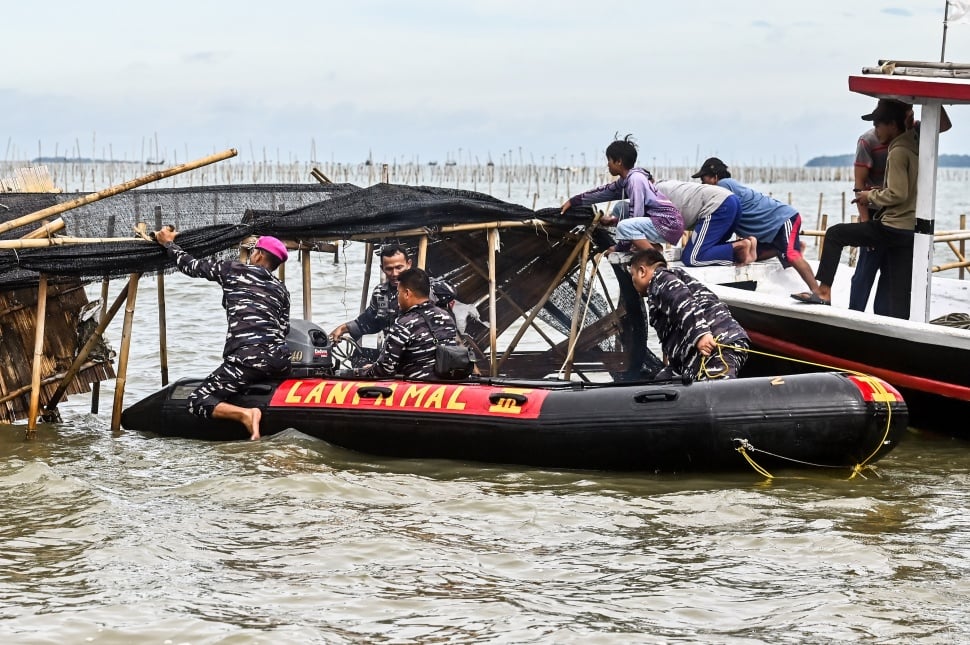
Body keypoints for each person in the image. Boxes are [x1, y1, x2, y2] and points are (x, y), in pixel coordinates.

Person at [154, 229, 291, 440]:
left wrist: (168, 244)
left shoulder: (233, 269)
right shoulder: (282, 290)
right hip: (279, 361)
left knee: (198, 401)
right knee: (251, 374)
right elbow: (284, 330)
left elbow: (191, 266)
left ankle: (246, 414)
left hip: (247, 359)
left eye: (254, 251)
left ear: (259, 255)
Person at [798, 99, 918, 319]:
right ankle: (897, 327)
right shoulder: (915, 140)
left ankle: (824, 292)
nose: (876, 130)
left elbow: (897, 194)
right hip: (910, 229)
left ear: (892, 124)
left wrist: (868, 195)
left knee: (835, 234)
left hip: (892, 226)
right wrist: (909, 115)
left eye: (878, 125)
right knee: (895, 284)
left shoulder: (898, 150)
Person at [850, 100, 951, 314]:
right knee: (865, 271)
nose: (877, 128)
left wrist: (930, 98)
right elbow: (859, 186)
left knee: (891, 273)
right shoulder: (868, 141)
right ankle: (853, 314)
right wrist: (865, 224)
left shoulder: (914, 133)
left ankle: (883, 319)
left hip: (901, 217)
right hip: (875, 211)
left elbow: (943, 124)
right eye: (876, 123)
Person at [692, 157, 821, 295]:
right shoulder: (726, 186)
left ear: (715, 177)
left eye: (703, 179)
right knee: (749, 255)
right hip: (770, 230)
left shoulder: (722, 186)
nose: (702, 183)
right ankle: (788, 246)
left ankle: (817, 292)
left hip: (782, 219)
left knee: (790, 254)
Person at [628, 248, 749, 380]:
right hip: (691, 358)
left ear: (642, 271)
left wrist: (701, 335)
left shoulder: (661, 278)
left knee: (715, 391)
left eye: (632, 277)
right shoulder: (665, 281)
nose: (632, 284)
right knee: (661, 383)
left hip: (717, 345)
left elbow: (683, 301)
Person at [560, 134, 684, 252]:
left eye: (609, 160)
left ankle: (654, 257)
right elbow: (604, 192)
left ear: (618, 161)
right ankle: (651, 247)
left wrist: (619, 248)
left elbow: (636, 216)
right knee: (621, 208)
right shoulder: (626, 180)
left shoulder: (636, 180)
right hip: (657, 222)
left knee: (624, 226)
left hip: (668, 224)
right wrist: (574, 201)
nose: (607, 164)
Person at [329, 243, 457, 342]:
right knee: (359, 360)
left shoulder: (425, 285)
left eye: (399, 267)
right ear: (382, 269)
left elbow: (450, 291)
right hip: (394, 351)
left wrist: (420, 287)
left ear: (408, 264)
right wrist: (343, 328)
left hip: (425, 350)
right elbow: (370, 321)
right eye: (389, 269)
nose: (394, 274)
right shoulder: (381, 293)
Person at [355, 267, 460, 380]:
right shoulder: (446, 317)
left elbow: (384, 369)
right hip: (446, 385)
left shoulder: (403, 324)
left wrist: (362, 373)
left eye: (398, 293)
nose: (397, 297)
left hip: (417, 389)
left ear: (406, 293)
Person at [652, 179, 756, 266]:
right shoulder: (662, 185)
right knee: (713, 247)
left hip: (717, 206)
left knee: (692, 258)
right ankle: (747, 243)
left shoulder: (650, 196)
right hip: (731, 201)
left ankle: (740, 248)